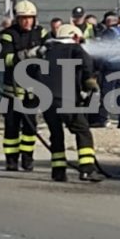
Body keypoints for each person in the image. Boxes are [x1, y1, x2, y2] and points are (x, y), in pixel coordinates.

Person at [42, 24, 101, 183]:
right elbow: (87, 63)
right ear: (74, 37)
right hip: (66, 99)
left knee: (56, 134)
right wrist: (89, 82)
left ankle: (58, 171)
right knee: (83, 131)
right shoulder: (74, 48)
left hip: (46, 100)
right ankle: (87, 169)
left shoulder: (47, 50)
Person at [0, 0, 48, 172]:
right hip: (12, 91)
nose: (27, 21)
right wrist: (25, 55)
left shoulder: (41, 33)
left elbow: (51, 52)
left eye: (30, 18)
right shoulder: (8, 35)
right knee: (11, 127)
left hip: (32, 90)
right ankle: (11, 160)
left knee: (30, 127)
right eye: (23, 18)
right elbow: (5, 59)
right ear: (17, 19)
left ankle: (28, 159)